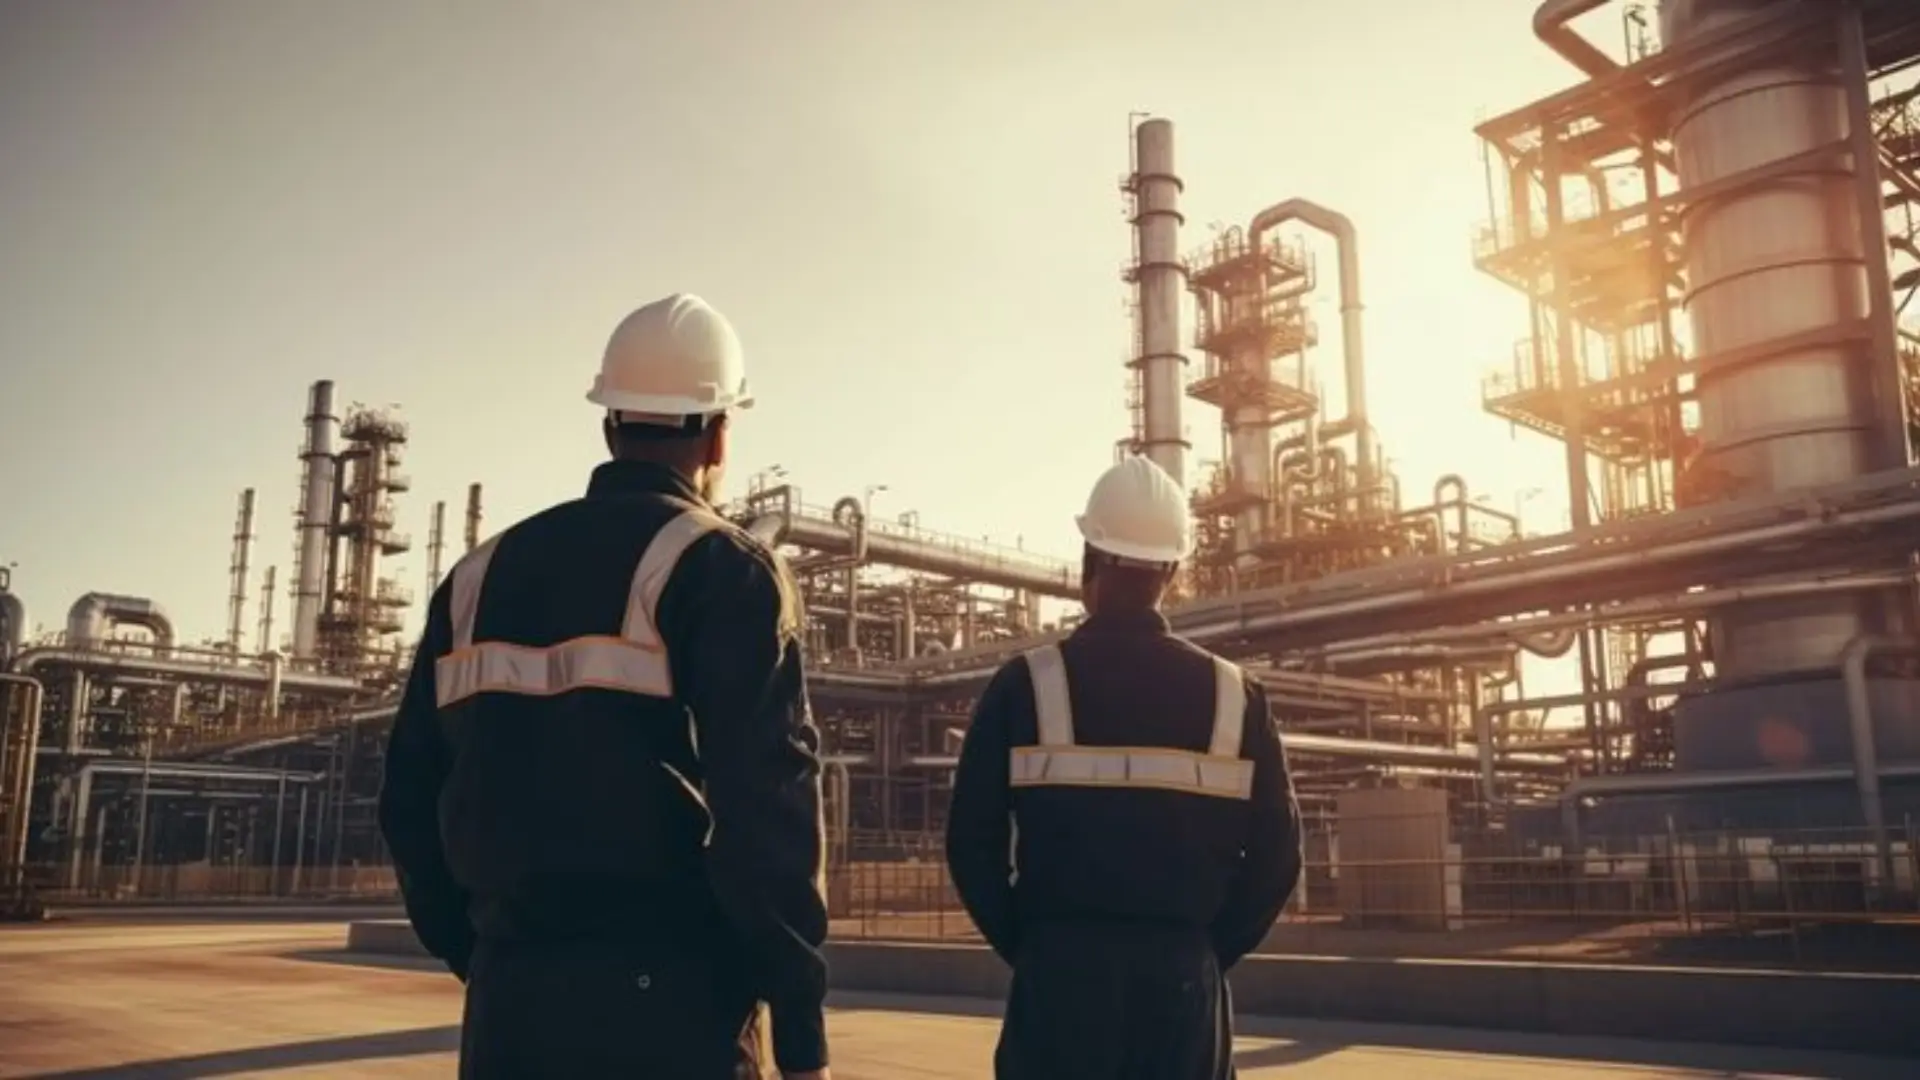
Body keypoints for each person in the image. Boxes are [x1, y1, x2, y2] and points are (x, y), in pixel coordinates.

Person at [378, 293, 831, 1080]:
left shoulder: (475, 578)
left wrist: (485, 955)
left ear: (609, 425)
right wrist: (800, 1031)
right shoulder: (724, 569)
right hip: (675, 1009)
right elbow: (767, 815)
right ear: (720, 435)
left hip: (509, 1010)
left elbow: (408, 799)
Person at [944, 454, 1303, 1080]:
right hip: (1183, 985)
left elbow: (970, 844)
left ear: (1090, 557)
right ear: (1173, 569)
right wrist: (1203, 951)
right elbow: (1279, 856)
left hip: (1059, 977)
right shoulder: (1236, 695)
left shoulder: (1025, 685)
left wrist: (1034, 948)